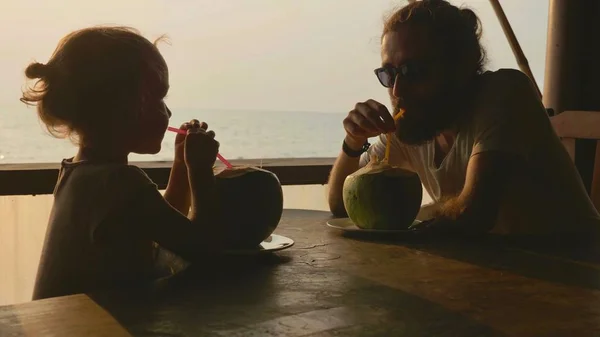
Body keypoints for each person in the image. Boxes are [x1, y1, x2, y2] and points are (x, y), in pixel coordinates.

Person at [327, 0, 600, 236]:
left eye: (415, 71)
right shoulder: (412, 125)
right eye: (389, 73)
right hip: (495, 279)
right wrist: (354, 140)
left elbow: (472, 213)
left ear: (461, 68)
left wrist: (408, 218)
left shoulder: (504, 93)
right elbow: (343, 207)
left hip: (574, 275)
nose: (397, 90)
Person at [21, 26, 231, 300]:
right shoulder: (119, 183)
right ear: (123, 104)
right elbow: (205, 250)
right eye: (157, 97)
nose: (167, 111)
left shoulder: (78, 174)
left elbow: (163, 230)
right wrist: (200, 171)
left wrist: (181, 166)